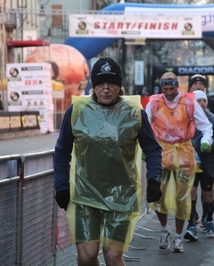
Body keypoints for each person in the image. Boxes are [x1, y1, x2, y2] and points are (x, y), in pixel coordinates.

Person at [53, 57, 163, 266]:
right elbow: (61, 151)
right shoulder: (76, 111)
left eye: (111, 83)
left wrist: (154, 179)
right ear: (93, 86)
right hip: (86, 195)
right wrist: (61, 185)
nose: (105, 88)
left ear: (119, 86)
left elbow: (153, 149)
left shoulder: (134, 112)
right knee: (87, 256)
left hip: (122, 195)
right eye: (100, 83)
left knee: (113, 256)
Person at [145, 72, 213, 253]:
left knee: (182, 197)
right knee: (158, 195)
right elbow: (143, 126)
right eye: (165, 89)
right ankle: (164, 229)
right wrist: (145, 149)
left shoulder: (189, 102)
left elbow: (205, 125)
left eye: (172, 89)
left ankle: (178, 236)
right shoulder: (154, 103)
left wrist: (207, 140)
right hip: (161, 154)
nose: (168, 92)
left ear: (178, 86)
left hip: (184, 154)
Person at [184, 90, 214, 241]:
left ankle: (208, 219)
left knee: (208, 198)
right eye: (198, 101)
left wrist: (210, 144)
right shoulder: (186, 118)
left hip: (208, 164)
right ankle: (191, 225)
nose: (201, 103)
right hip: (190, 163)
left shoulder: (212, 119)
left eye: (204, 101)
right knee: (191, 194)